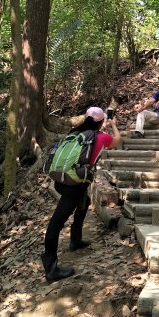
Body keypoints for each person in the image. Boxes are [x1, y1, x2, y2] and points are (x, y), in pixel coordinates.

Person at [41, 107, 121, 282]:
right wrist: (113, 125)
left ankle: (75, 240)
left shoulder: (74, 134)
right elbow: (117, 140)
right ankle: (51, 269)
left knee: (84, 201)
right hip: (74, 185)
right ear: (101, 122)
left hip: (61, 181)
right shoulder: (100, 137)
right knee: (55, 224)